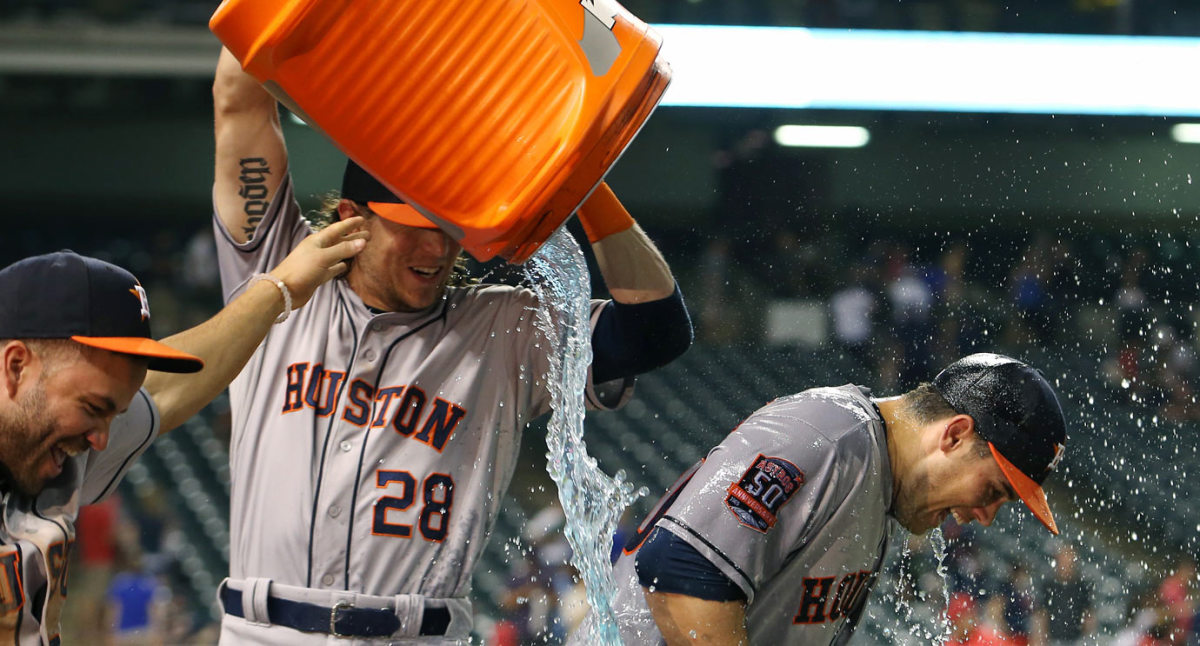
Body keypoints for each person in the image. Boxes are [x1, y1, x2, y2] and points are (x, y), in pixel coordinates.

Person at [210, 45, 692, 644]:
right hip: (261, 630)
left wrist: (582, 177)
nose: (437, 250)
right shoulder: (277, 278)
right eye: (413, 228)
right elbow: (239, 93)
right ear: (351, 218)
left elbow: (657, 329)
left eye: (449, 229)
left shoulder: (503, 330)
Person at [0, 219, 367, 645]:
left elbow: (166, 389)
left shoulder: (49, 446)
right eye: (94, 408)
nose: (101, 439)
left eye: (115, 413)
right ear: (16, 366)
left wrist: (278, 290)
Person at [596, 352, 1067, 645]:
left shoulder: (878, 478)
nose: (984, 516)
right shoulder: (830, 435)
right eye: (993, 490)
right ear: (956, 435)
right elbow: (678, 571)